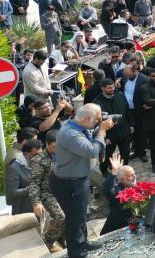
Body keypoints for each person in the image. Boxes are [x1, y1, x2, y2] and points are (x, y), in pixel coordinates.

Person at [51, 104, 114, 258]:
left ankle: (83, 242)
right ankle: (76, 252)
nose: (99, 122)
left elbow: (89, 138)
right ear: (86, 118)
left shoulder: (78, 125)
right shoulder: (70, 133)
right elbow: (91, 151)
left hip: (78, 178)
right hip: (69, 183)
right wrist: (102, 131)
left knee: (80, 215)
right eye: (97, 119)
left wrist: (98, 132)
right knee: (74, 218)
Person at [93, 78, 132, 174]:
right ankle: (104, 172)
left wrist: (131, 125)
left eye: (113, 87)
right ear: (102, 88)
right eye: (109, 88)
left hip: (124, 131)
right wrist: (103, 137)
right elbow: (96, 123)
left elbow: (127, 110)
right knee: (106, 156)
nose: (112, 89)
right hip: (109, 135)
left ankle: (123, 172)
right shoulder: (97, 103)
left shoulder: (120, 95)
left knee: (125, 154)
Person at [101, 152, 136, 234]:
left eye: (134, 174)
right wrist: (114, 173)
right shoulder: (117, 191)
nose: (135, 177)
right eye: (131, 175)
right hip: (116, 229)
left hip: (132, 226)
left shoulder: (136, 188)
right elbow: (107, 189)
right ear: (122, 179)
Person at [5, 138, 43, 215]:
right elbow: (12, 193)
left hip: (41, 207)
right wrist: (32, 188)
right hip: (24, 211)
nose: (40, 157)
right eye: (36, 155)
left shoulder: (38, 162)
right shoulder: (13, 168)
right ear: (26, 154)